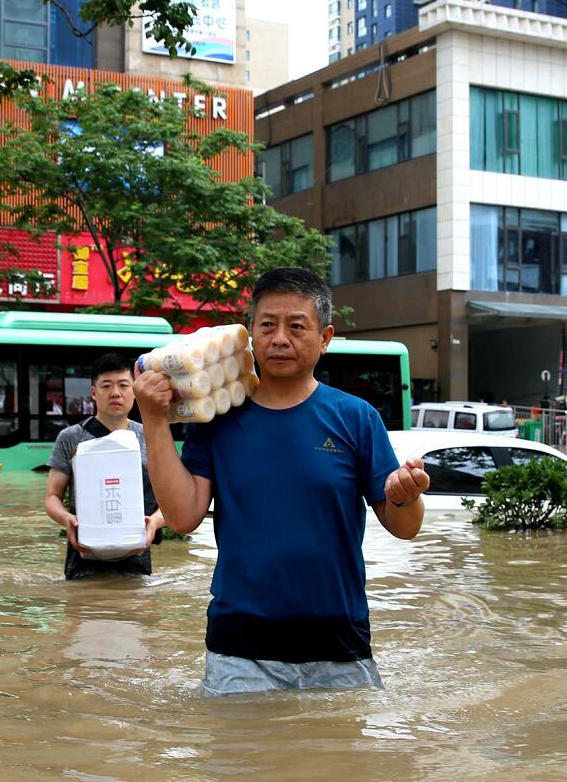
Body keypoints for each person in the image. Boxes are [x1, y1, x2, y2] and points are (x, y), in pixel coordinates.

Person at [134, 267, 431, 696]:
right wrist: (155, 420)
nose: (279, 339)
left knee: (345, 761)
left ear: (325, 337)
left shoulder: (356, 417)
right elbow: (182, 518)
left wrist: (405, 497)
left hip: (339, 645)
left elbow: (406, 528)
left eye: (297, 327)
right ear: (250, 331)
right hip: (240, 648)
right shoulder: (216, 419)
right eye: (267, 325)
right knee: (238, 761)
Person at [44, 353, 167, 580]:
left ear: (135, 390)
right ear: (93, 393)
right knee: (84, 609)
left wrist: (155, 523)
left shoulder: (153, 437)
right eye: (106, 386)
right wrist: (67, 520)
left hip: (136, 553)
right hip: (83, 552)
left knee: (137, 611)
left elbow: (171, 499)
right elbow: (52, 496)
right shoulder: (70, 437)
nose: (115, 393)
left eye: (123, 385)